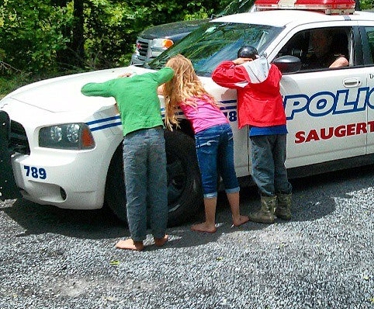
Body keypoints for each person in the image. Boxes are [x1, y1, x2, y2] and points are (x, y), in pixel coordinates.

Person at [81, 67, 174, 251]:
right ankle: (159, 236)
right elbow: (170, 71)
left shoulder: (117, 84)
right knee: (158, 187)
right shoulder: (150, 78)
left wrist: (118, 78)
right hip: (155, 136)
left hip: (133, 139)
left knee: (135, 190)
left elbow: (86, 88)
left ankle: (137, 240)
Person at [162, 54, 249, 233]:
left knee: (209, 179)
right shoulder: (199, 88)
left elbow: (154, 87)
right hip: (224, 128)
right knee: (229, 173)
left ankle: (210, 224)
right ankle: (237, 217)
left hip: (206, 132)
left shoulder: (175, 90)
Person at [211, 46, 293, 224]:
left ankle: (267, 211)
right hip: (278, 123)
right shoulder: (273, 69)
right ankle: (284, 208)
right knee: (279, 166)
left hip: (259, 125)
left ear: (243, 59)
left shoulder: (244, 72)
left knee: (262, 168)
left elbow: (217, 74)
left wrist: (234, 63)